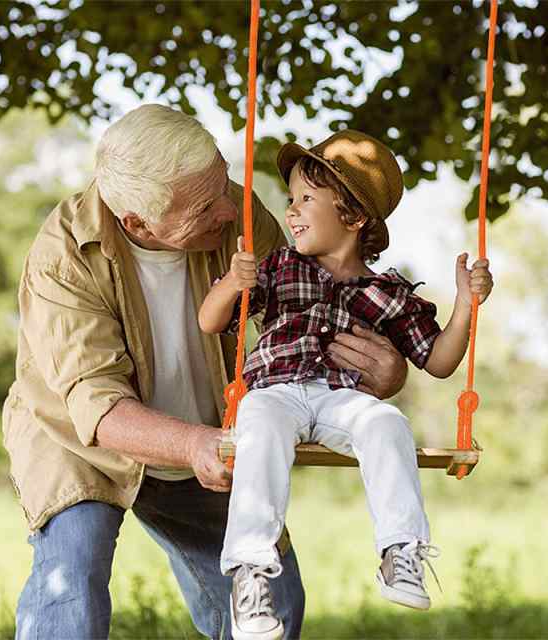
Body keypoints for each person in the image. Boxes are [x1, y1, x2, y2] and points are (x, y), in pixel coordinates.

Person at [3, 106, 409, 640]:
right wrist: (195, 444)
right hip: (82, 448)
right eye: (204, 205)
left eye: (223, 182)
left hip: (208, 435)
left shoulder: (236, 216)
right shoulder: (63, 255)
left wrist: (376, 371)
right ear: (139, 224)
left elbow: (302, 320)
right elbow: (96, 406)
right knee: (70, 588)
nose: (227, 208)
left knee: (274, 602)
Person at [199, 129, 494, 639]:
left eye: (306, 199)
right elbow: (210, 320)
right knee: (260, 427)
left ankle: (401, 551)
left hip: (342, 401)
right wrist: (232, 283)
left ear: (354, 218)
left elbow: (440, 361)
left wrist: (466, 305)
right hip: (275, 392)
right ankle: (250, 573)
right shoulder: (279, 267)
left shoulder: (389, 293)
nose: (291, 211)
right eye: (291, 199)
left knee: (386, 422)